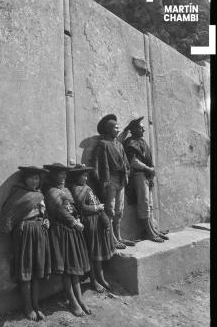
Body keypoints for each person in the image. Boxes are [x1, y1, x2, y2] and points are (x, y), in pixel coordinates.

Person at [0, 166, 51, 321]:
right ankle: (28, 307)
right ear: (25, 179)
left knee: (36, 270)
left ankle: (36, 304)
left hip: (39, 233)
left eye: (37, 178)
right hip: (25, 233)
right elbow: (9, 214)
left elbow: (44, 212)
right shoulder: (18, 193)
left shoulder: (40, 194)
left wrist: (46, 219)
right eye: (32, 178)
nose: (35, 181)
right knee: (26, 271)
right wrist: (18, 223)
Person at [43, 163, 91, 317]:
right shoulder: (51, 191)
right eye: (60, 174)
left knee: (75, 266)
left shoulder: (66, 190)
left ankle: (80, 298)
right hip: (61, 231)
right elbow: (59, 210)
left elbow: (73, 206)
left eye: (64, 174)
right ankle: (72, 300)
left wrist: (78, 218)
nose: (64, 177)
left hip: (73, 231)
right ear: (53, 176)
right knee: (67, 269)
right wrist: (74, 222)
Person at [68, 164, 116, 293]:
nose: (85, 178)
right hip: (88, 223)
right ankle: (94, 280)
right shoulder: (75, 189)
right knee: (92, 253)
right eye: (82, 175)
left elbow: (97, 202)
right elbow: (81, 207)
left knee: (98, 251)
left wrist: (105, 220)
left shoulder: (87, 188)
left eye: (85, 175)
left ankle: (101, 277)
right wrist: (97, 208)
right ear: (76, 177)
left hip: (97, 222)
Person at [123, 117, 169, 242]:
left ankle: (153, 230)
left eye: (143, 127)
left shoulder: (142, 141)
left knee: (149, 204)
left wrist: (151, 171)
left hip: (147, 175)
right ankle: (149, 232)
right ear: (134, 129)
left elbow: (148, 158)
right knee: (144, 204)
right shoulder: (130, 142)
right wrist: (149, 169)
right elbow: (133, 162)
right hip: (139, 175)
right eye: (140, 127)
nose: (143, 129)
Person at [94, 114, 136, 249]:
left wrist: (127, 174)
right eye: (116, 128)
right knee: (110, 210)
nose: (118, 130)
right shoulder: (103, 144)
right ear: (108, 129)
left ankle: (118, 237)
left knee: (119, 210)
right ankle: (111, 239)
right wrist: (103, 183)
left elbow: (126, 163)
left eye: (118, 128)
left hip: (121, 180)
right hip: (110, 180)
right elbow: (96, 167)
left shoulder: (119, 144)